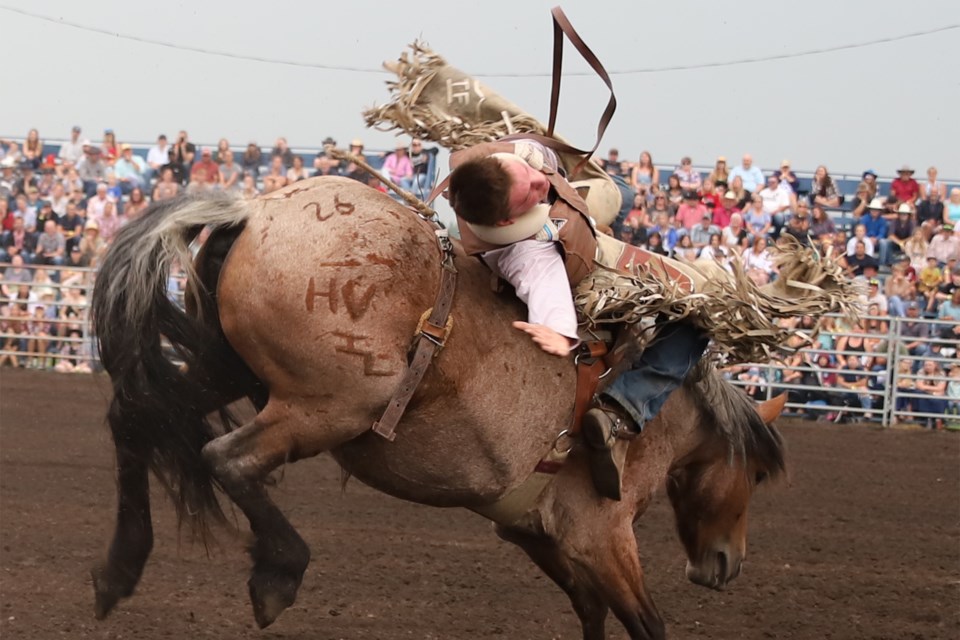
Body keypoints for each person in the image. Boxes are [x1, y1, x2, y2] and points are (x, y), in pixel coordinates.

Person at [446, 137, 708, 501]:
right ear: (508, 220)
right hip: (590, 261)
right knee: (698, 316)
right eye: (530, 192)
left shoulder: (490, 163)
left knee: (624, 192)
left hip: (572, 217)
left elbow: (525, 154)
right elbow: (547, 291)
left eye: (529, 175)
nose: (540, 182)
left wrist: (538, 161)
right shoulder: (530, 254)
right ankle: (623, 408)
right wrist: (557, 332)